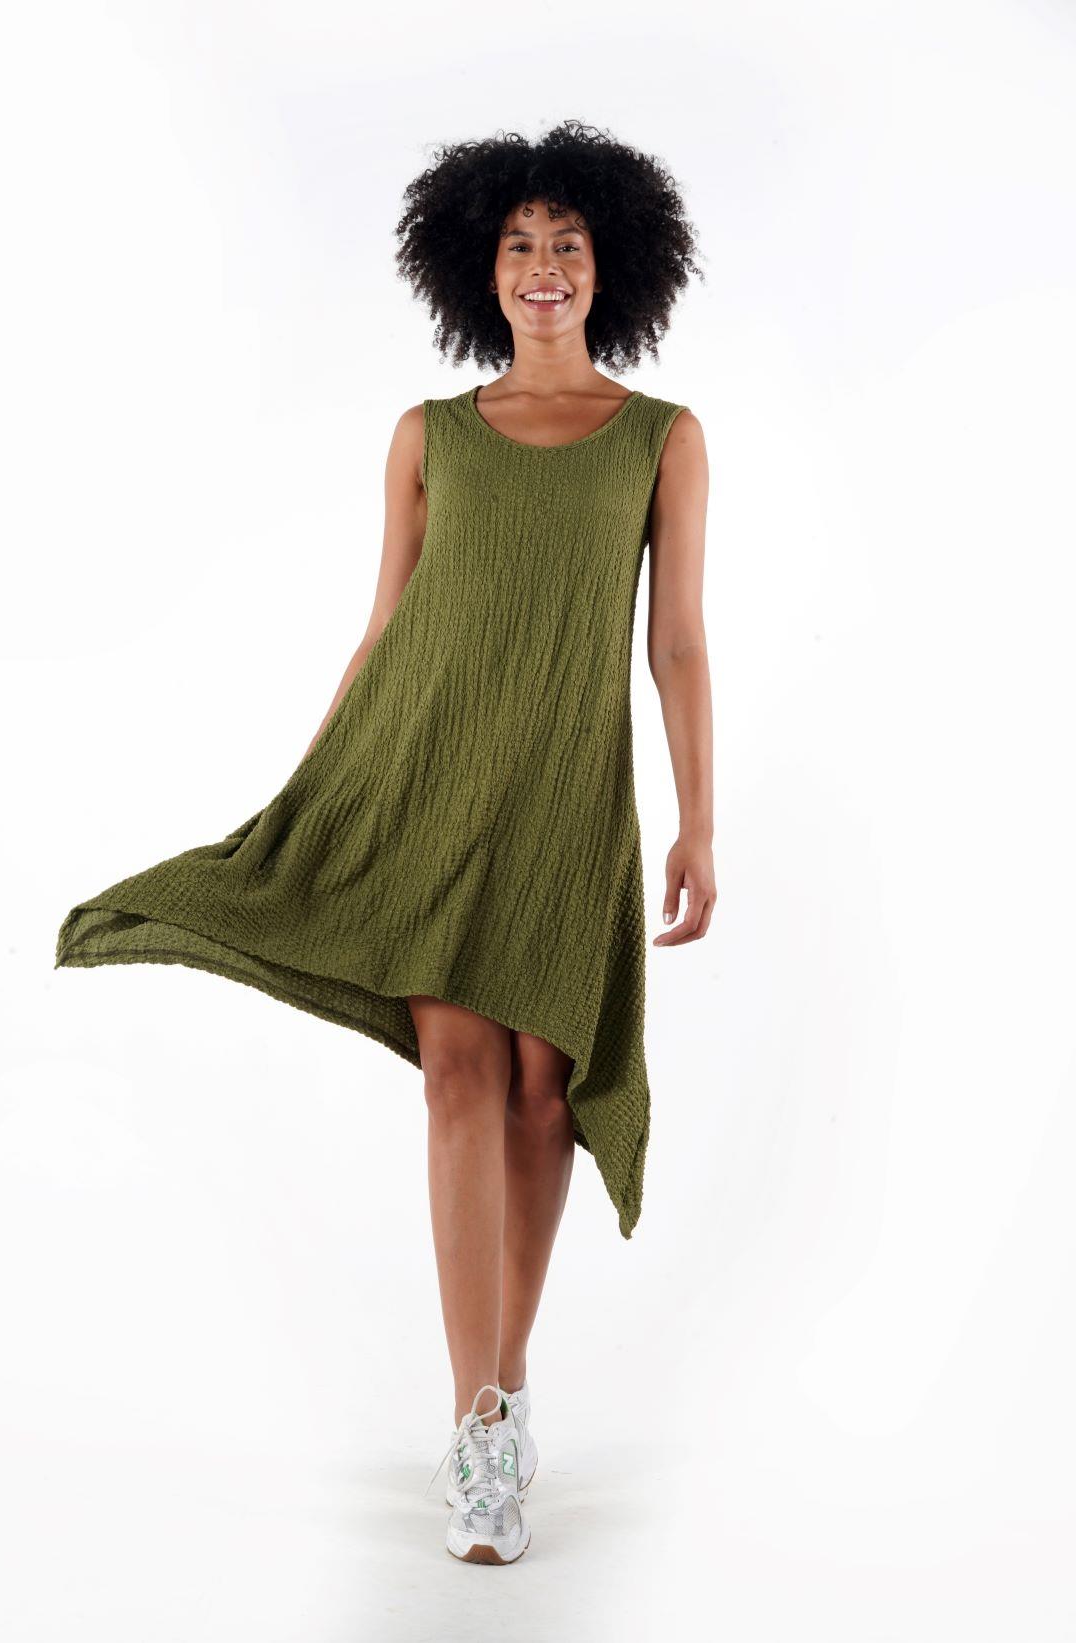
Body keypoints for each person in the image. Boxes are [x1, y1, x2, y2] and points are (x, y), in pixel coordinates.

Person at [54, 118, 714, 1566]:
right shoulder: (429, 435)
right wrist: (309, 795)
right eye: (519, 244)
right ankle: (479, 1422)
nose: (543, 267)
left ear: (612, 263)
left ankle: (506, 1380)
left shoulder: (664, 438)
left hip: (567, 801)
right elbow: (382, 630)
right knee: (462, 1080)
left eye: (568, 243)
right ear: (483, 267)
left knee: (545, 1093)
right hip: (420, 780)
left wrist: (699, 822)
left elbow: (675, 643)